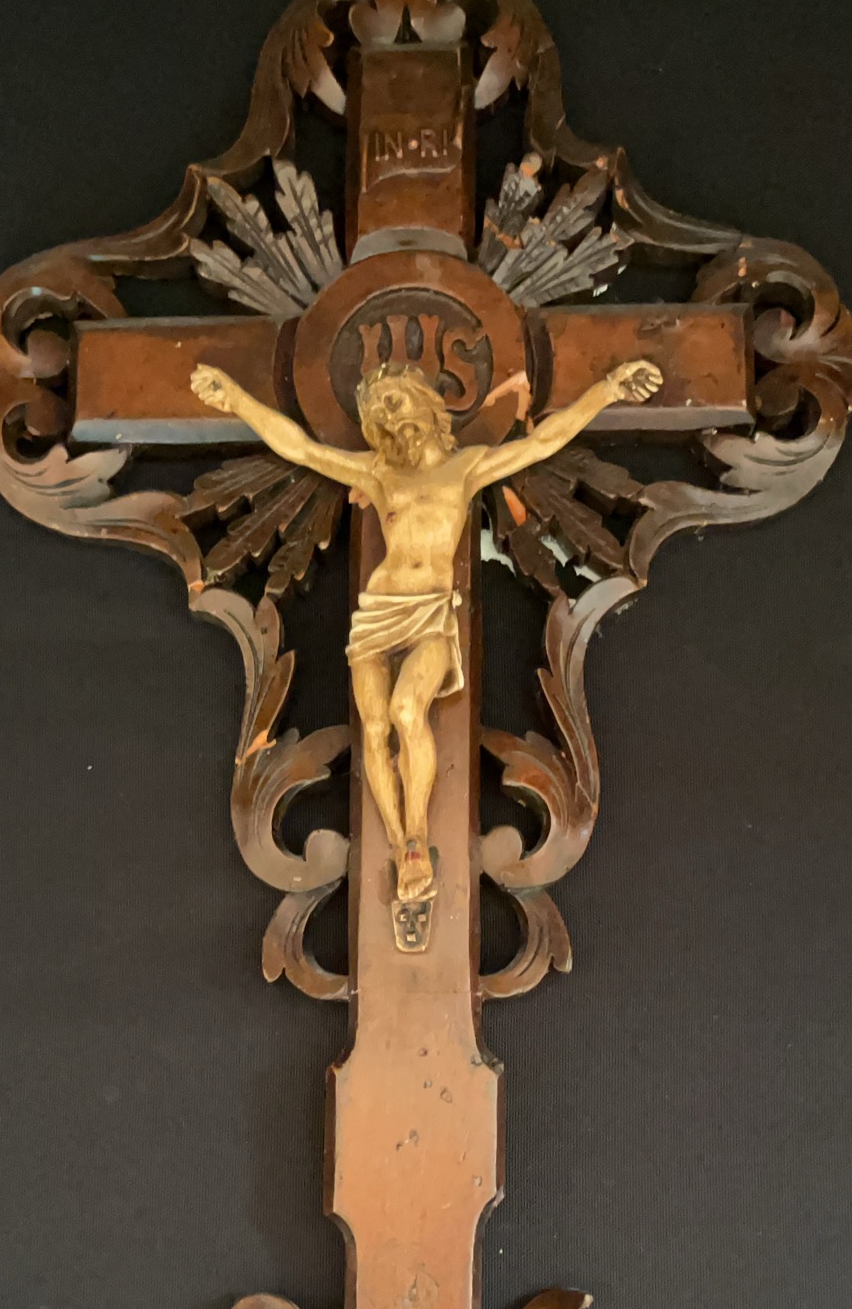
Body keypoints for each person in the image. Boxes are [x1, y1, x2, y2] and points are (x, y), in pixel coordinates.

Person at [189, 352, 662, 905]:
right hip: (379, 609)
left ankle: (416, 832)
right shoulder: (379, 473)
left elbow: (541, 443)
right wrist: (236, 399)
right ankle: (400, 843)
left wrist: (607, 389)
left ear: (425, 402)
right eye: (378, 416)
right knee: (373, 727)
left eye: (393, 403)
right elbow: (301, 448)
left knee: (408, 710)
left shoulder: (465, 469)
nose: (388, 420)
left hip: (431, 609)